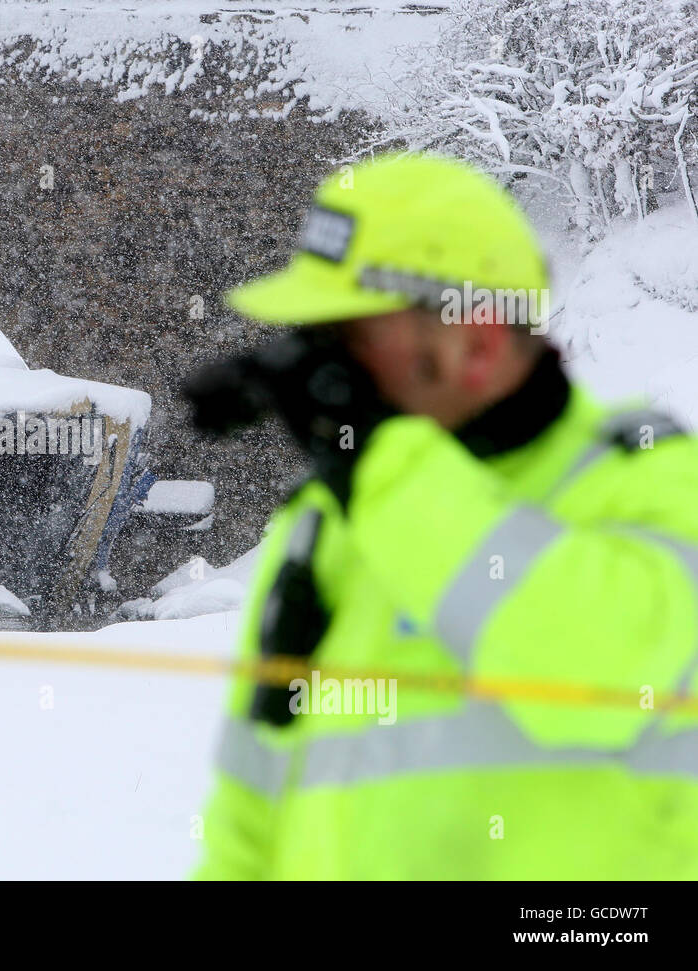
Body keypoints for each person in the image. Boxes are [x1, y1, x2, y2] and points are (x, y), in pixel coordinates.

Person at [185, 152, 698, 879]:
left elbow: (595, 675)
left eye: (349, 339)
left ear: (478, 342)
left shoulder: (650, 480)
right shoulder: (327, 526)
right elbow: (249, 814)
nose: (321, 370)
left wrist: (380, 465)